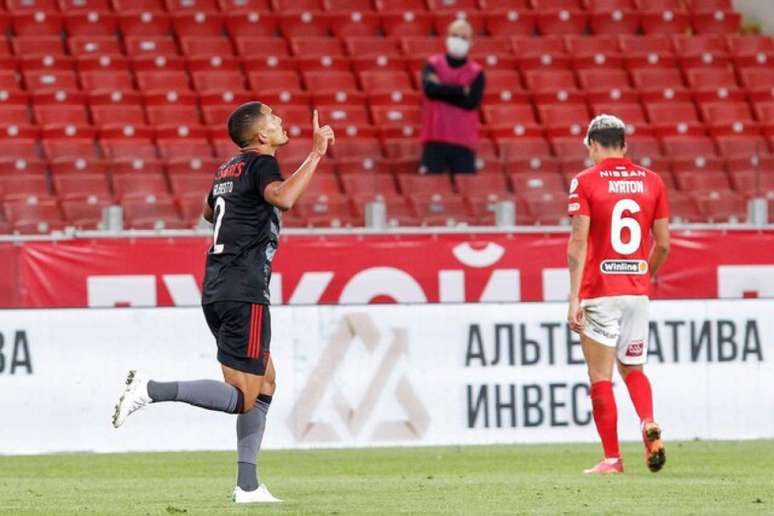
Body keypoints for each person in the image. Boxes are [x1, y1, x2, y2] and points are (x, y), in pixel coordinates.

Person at [112, 102, 335, 503]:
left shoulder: (227, 169)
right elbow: (283, 198)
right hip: (243, 289)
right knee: (245, 396)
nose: (280, 120)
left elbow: (207, 211)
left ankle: (248, 486)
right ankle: (150, 389)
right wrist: (316, 153)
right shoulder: (261, 164)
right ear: (260, 136)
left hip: (218, 287)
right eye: (272, 117)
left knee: (265, 381)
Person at [566, 114, 671, 475]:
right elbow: (664, 245)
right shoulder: (652, 181)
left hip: (600, 291)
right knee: (634, 368)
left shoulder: (584, 182)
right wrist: (642, 275)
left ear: (593, 145)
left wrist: (574, 297)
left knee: (600, 377)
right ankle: (647, 420)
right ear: (624, 146)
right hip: (637, 292)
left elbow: (578, 242)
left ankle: (612, 458)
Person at [420, 19, 485, 175]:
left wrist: (441, 90)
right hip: (435, 138)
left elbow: (471, 103)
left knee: (467, 191)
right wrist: (461, 90)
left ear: (471, 42)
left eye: (464, 37)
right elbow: (430, 91)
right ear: (447, 37)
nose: (458, 41)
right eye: (455, 35)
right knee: (431, 190)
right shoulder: (432, 64)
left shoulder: (477, 72)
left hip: (464, 142)